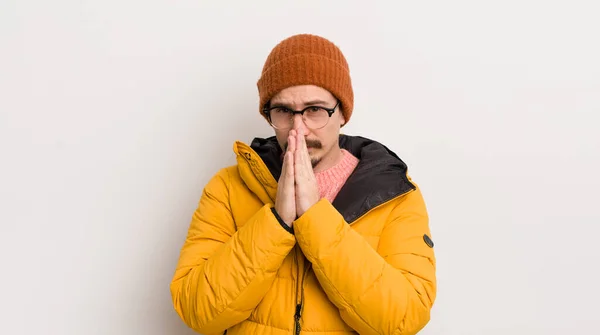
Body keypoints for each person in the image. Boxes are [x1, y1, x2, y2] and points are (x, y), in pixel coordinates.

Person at [170, 33, 437, 335]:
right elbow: (196, 311)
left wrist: (315, 219)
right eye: (283, 110)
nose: (299, 128)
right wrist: (277, 222)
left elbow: (404, 320)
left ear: (342, 114)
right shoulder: (227, 188)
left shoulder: (395, 194)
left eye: (315, 110)